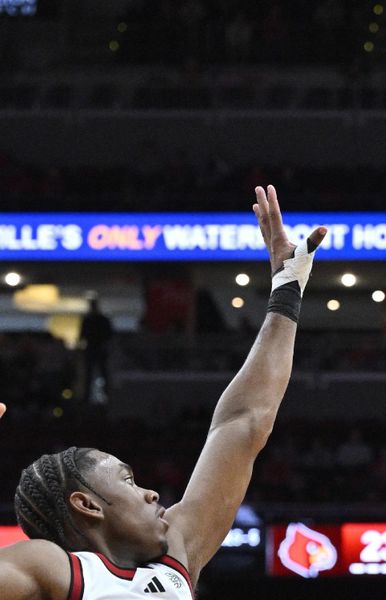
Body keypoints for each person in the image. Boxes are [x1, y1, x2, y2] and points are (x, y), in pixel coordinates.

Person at [0, 185, 327, 599]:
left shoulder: (176, 559)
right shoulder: (50, 567)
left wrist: (287, 288)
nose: (151, 492)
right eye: (128, 481)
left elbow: (243, 423)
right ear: (88, 505)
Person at [79, 295, 114, 404]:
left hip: (96, 348)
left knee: (97, 373)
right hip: (96, 348)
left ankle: (93, 397)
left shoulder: (93, 320)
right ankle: (101, 396)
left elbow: (82, 335)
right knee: (97, 373)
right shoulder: (97, 319)